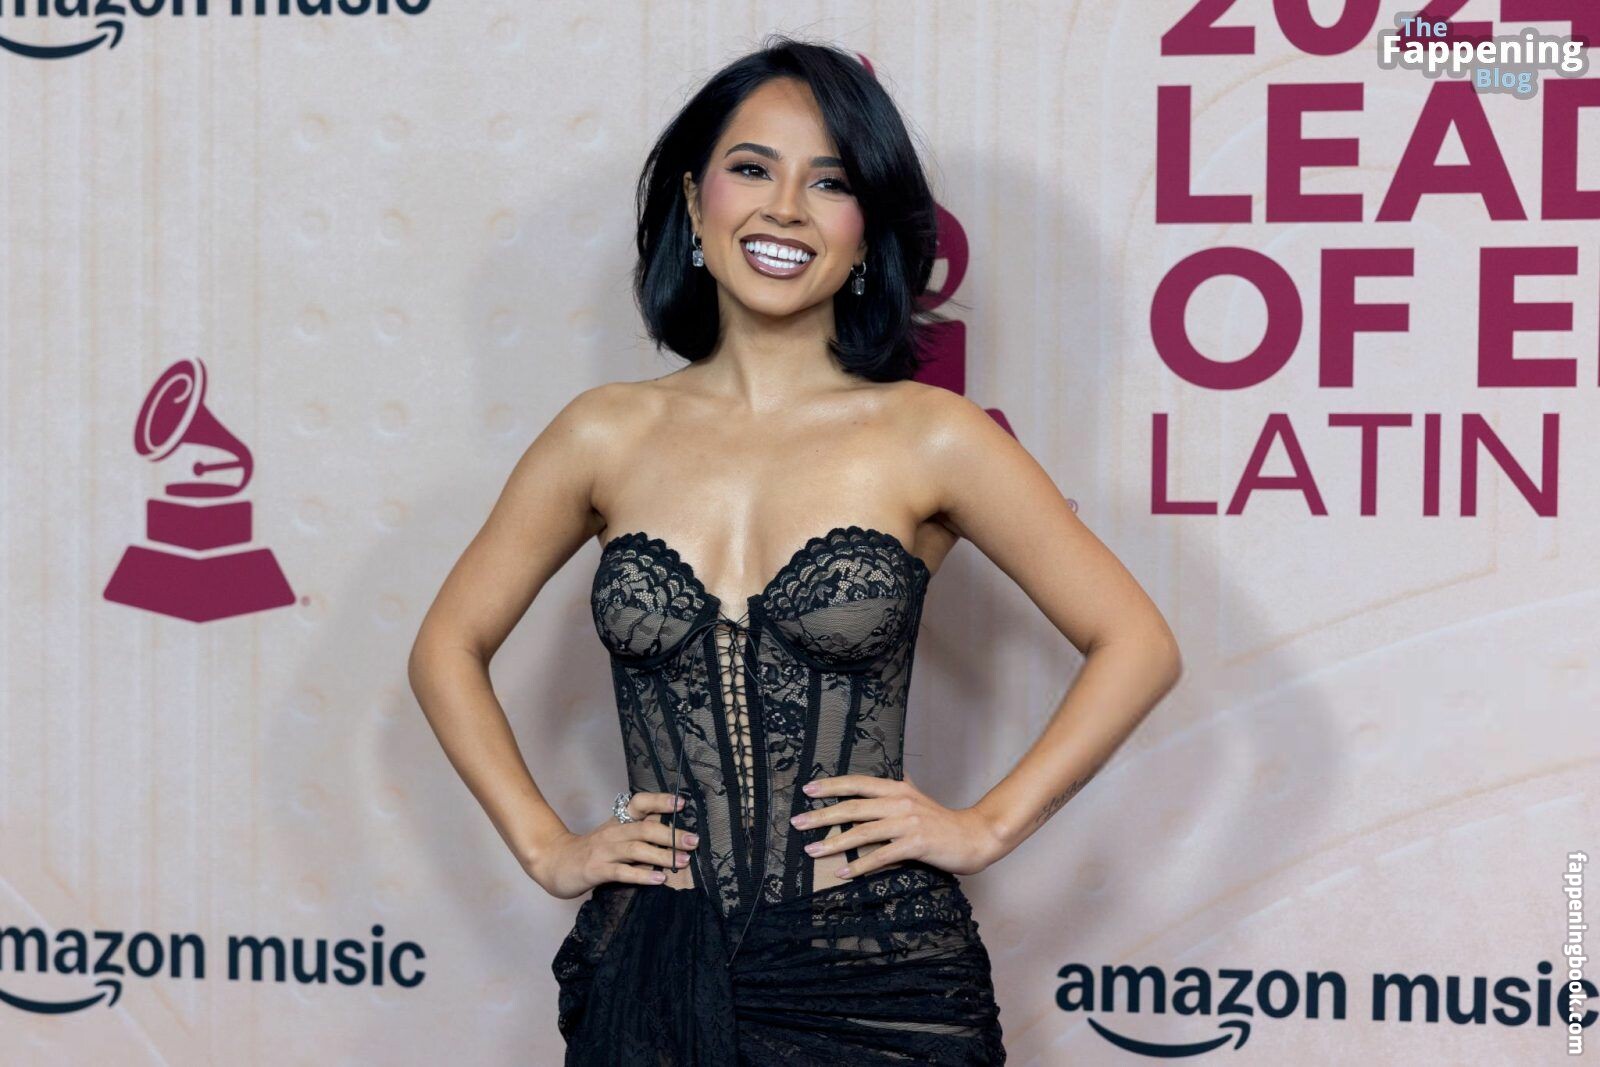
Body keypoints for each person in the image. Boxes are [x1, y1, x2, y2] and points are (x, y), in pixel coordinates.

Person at [408, 35, 1182, 1065]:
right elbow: (446, 646)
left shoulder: (932, 436)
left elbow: (1137, 642)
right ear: (695, 203)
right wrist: (548, 845)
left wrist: (987, 824)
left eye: (830, 182)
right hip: (653, 967)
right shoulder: (602, 433)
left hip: (878, 970)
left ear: (866, 234)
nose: (784, 209)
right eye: (752, 168)